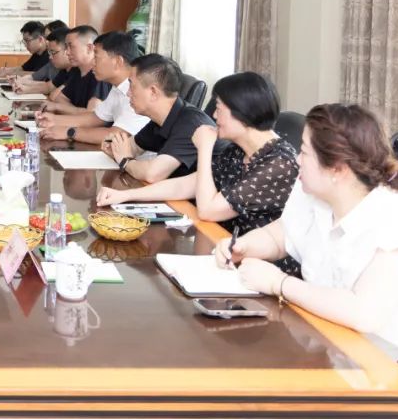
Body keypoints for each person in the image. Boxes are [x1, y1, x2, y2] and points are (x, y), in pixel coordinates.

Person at [215, 104, 398, 416]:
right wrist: (244, 246)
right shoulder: (314, 192)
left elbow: (364, 314)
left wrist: (278, 283)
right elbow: (281, 235)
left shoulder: (394, 222)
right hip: (337, 349)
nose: (297, 160)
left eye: (304, 152)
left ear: (337, 169)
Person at [97, 72, 299, 275]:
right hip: (222, 247)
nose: (214, 116)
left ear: (242, 112)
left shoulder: (279, 163)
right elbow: (188, 184)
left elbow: (208, 210)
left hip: (261, 270)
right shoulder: (239, 150)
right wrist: (126, 195)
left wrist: (205, 148)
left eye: (219, 109)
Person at [101, 53, 214, 183]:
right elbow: (133, 147)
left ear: (153, 92)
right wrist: (115, 146)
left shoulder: (191, 123)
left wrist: (125, 160)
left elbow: (152, 174)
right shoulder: (161, 119)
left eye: (132, 86)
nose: (128, 93)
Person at [39, 31, 149, 144]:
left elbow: (116, 135)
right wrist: (53, 120)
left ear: (117, 62)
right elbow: (95, 118)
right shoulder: (117, 88)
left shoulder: (139, 91)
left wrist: (70, 132)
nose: (93, 63)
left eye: (96, 57)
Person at [41, 25, 111, 114]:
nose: (67, 52)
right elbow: (59, 99)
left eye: (71, 47)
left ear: (89, 48)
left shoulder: (100, 75)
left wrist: (59, 107)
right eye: (66, 47)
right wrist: (76, 111)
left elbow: (91, 115)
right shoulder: (76, 71)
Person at [12, 25, 71, 97]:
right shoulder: (64, 70)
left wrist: (23, 83)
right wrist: (24, 89)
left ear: (68, 50)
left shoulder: (76, 71)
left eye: (53, 52)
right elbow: (48, 86)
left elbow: (54, 96)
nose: (50, 57)